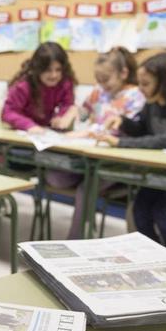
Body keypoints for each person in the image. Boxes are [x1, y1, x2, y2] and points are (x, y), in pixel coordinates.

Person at [94, 52, 166, 254]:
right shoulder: (152, 102)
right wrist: (124, 122)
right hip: (162, 174)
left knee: (163, 213)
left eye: (145, 84)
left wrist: (121, 142)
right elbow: (142, 128)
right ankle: (153, 256)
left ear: (165, 83)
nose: (140, 88)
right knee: (139, 212)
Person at [47, 47, 145, 239]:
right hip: (88, 156)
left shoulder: (136, 96)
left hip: (117, 160)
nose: (101, 84)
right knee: (55, 176)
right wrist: (69, 113)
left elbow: (125, 129)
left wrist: (89, 132)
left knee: (86, 190)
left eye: (106, 79)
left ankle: (75, 241)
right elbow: (84, 111)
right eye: (98, 79)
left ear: (123, 73)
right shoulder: (98, 91)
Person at [2, 42, 78, 133]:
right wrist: (29, 125)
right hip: (24, 132)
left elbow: (67, 104)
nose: (54, 75)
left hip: (46, 132)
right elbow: (7, 113)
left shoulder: (65, 83)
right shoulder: (24, 86)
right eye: (48, 70)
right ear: (38, 69)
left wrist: (60, 116)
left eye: (58, 70)